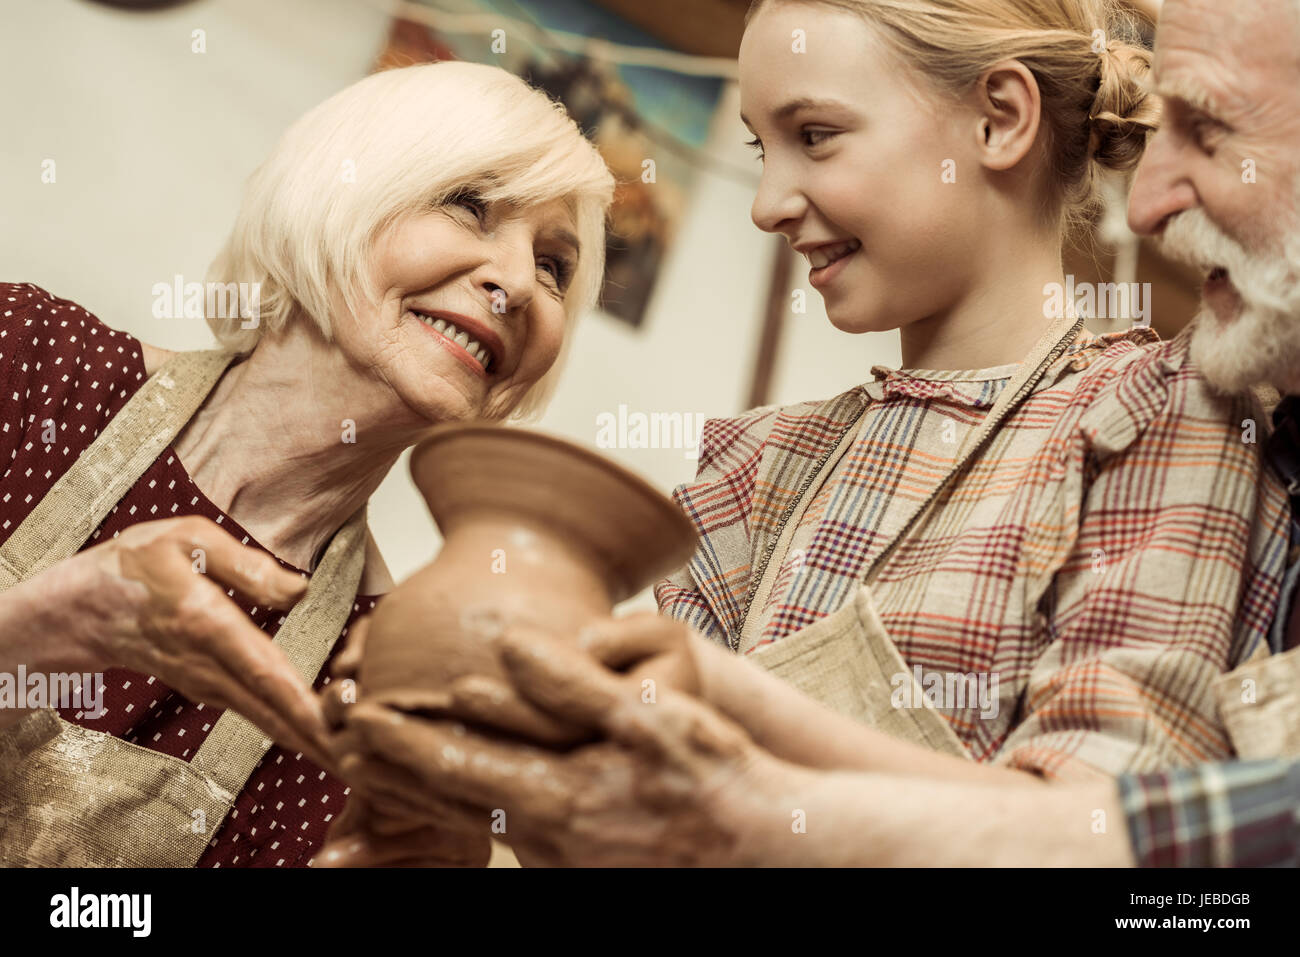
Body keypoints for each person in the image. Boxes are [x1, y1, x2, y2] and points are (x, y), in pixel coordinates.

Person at [320, 0, 1294, 866]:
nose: (766, 203)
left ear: (997, 119)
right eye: (759, 148)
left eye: (815, 136)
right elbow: (629, 822)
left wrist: (726, 709)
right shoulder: (759, 464)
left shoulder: (1171, 413)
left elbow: (1102, 836)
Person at [0, 60, 613, 868]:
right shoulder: (28, 360)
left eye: (554, 265)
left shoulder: (379, 682)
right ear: (336, 197)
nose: (516, 282)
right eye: (468, 205)